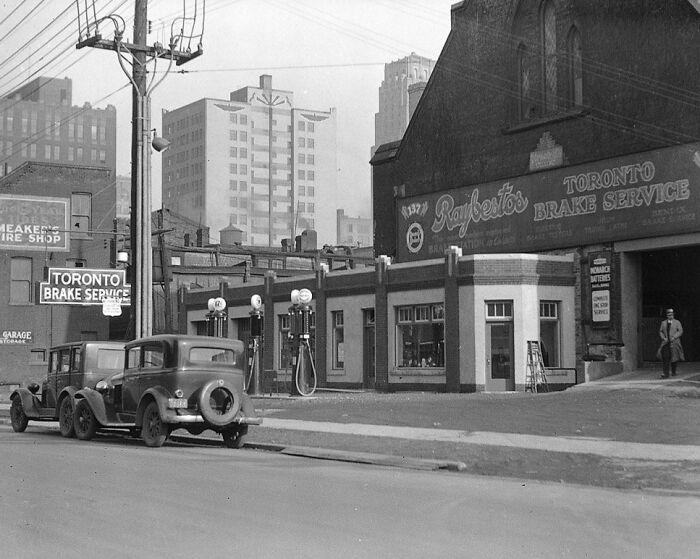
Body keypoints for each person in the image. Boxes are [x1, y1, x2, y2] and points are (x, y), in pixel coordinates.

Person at [658, 308, 684, 378]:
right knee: (666, 357)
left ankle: (673, 371)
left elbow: (680, 331)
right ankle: (665, 373)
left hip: (674, 342)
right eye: (669, 315)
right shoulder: (663, 323)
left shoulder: (677, 322)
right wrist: (664, 338)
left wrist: (674, 337)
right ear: (667, 315)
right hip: (666, 342)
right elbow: (660, 331)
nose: (671, 316)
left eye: (672, 315)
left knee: (674, 357)